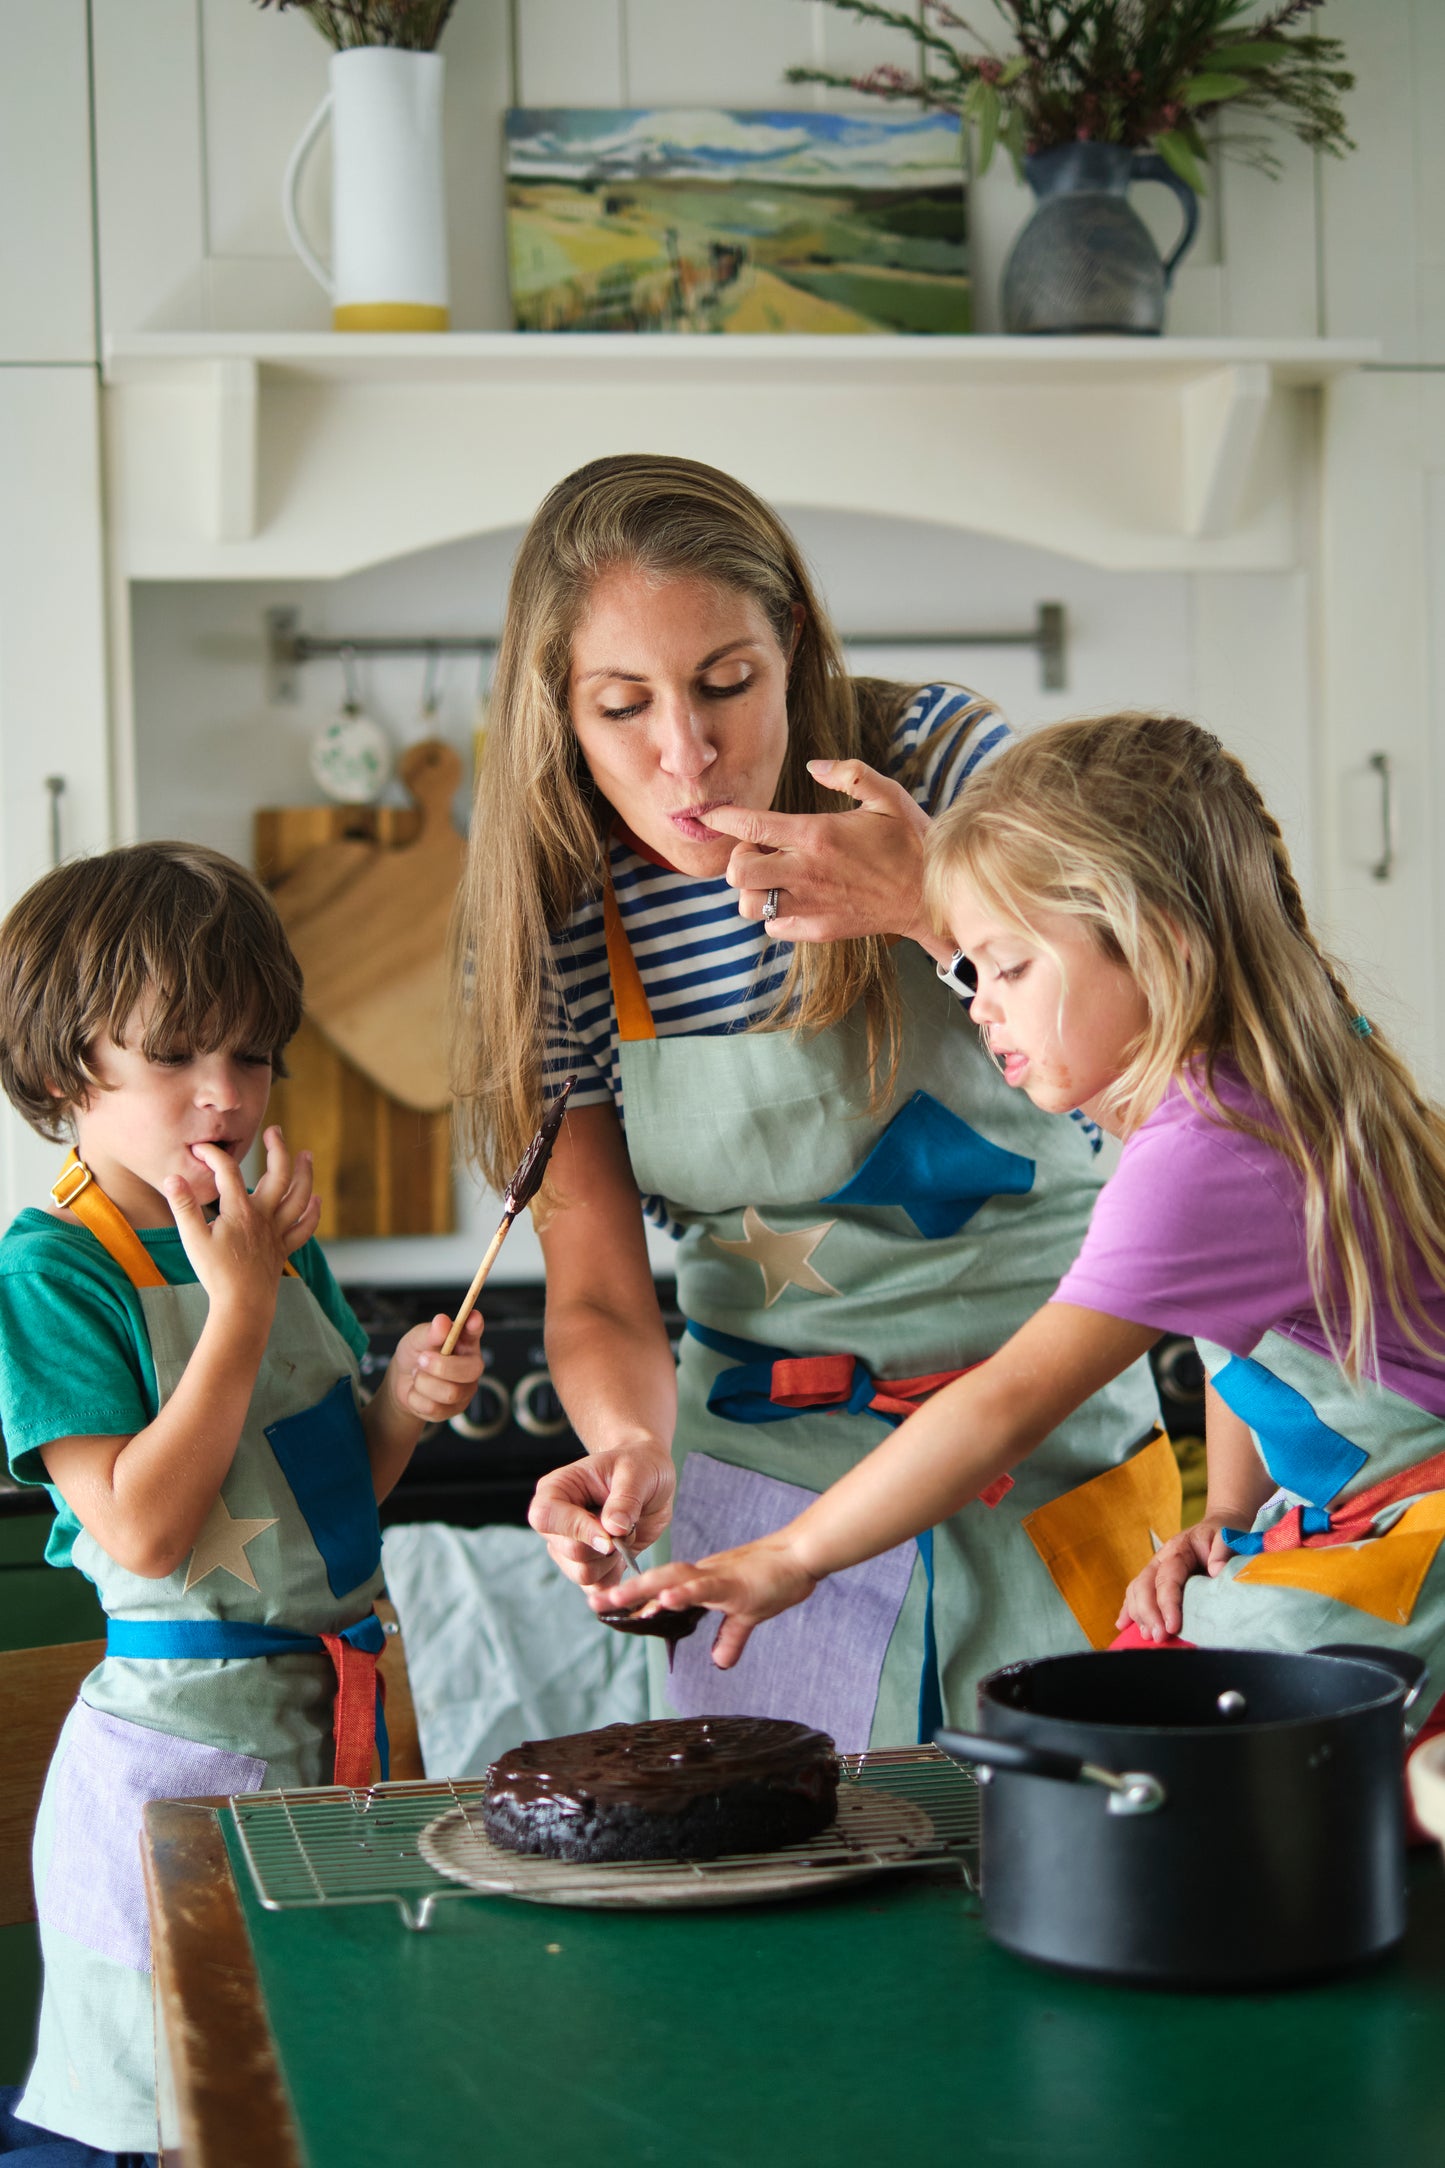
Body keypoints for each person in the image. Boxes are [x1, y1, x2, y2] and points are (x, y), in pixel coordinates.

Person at [451, 452, 1166, 1754]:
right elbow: (604, 1293)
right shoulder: (557, 908)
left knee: (1098, 1887)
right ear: (556, 710)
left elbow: (1162, 1068)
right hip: (764, 1503)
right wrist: (627, 1447)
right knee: (780, 1903)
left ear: (788, 641)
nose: (688, 753)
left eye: (726, 682)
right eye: (623, 707)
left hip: (1062, 1452)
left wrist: (927, 896)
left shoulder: (938, 760)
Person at [595, 711, 1445, 1733]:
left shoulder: (1203, 1148)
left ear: (1153, 948)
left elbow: (1002, 1404)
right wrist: (1226, 1519)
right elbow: (1241, 1327)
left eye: (1004, 965)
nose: (977, 1003)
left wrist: (789, 1555)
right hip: (1371, 1509)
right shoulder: (1250, 1085)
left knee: (1178, 1751)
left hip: (1416, 1531)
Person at [0, 843, 484, 2164]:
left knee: (326, 2091)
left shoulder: (272, 1238)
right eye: (174, 1057)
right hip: (180, 1756)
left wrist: (403, 1408)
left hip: (339, 1726)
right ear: (60, 1074)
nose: (223, 1097)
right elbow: (148, 1533)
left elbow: (328, 1498)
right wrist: (243, 1302)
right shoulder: (54, 1271)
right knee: (185, 2110)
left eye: (253, 1055)